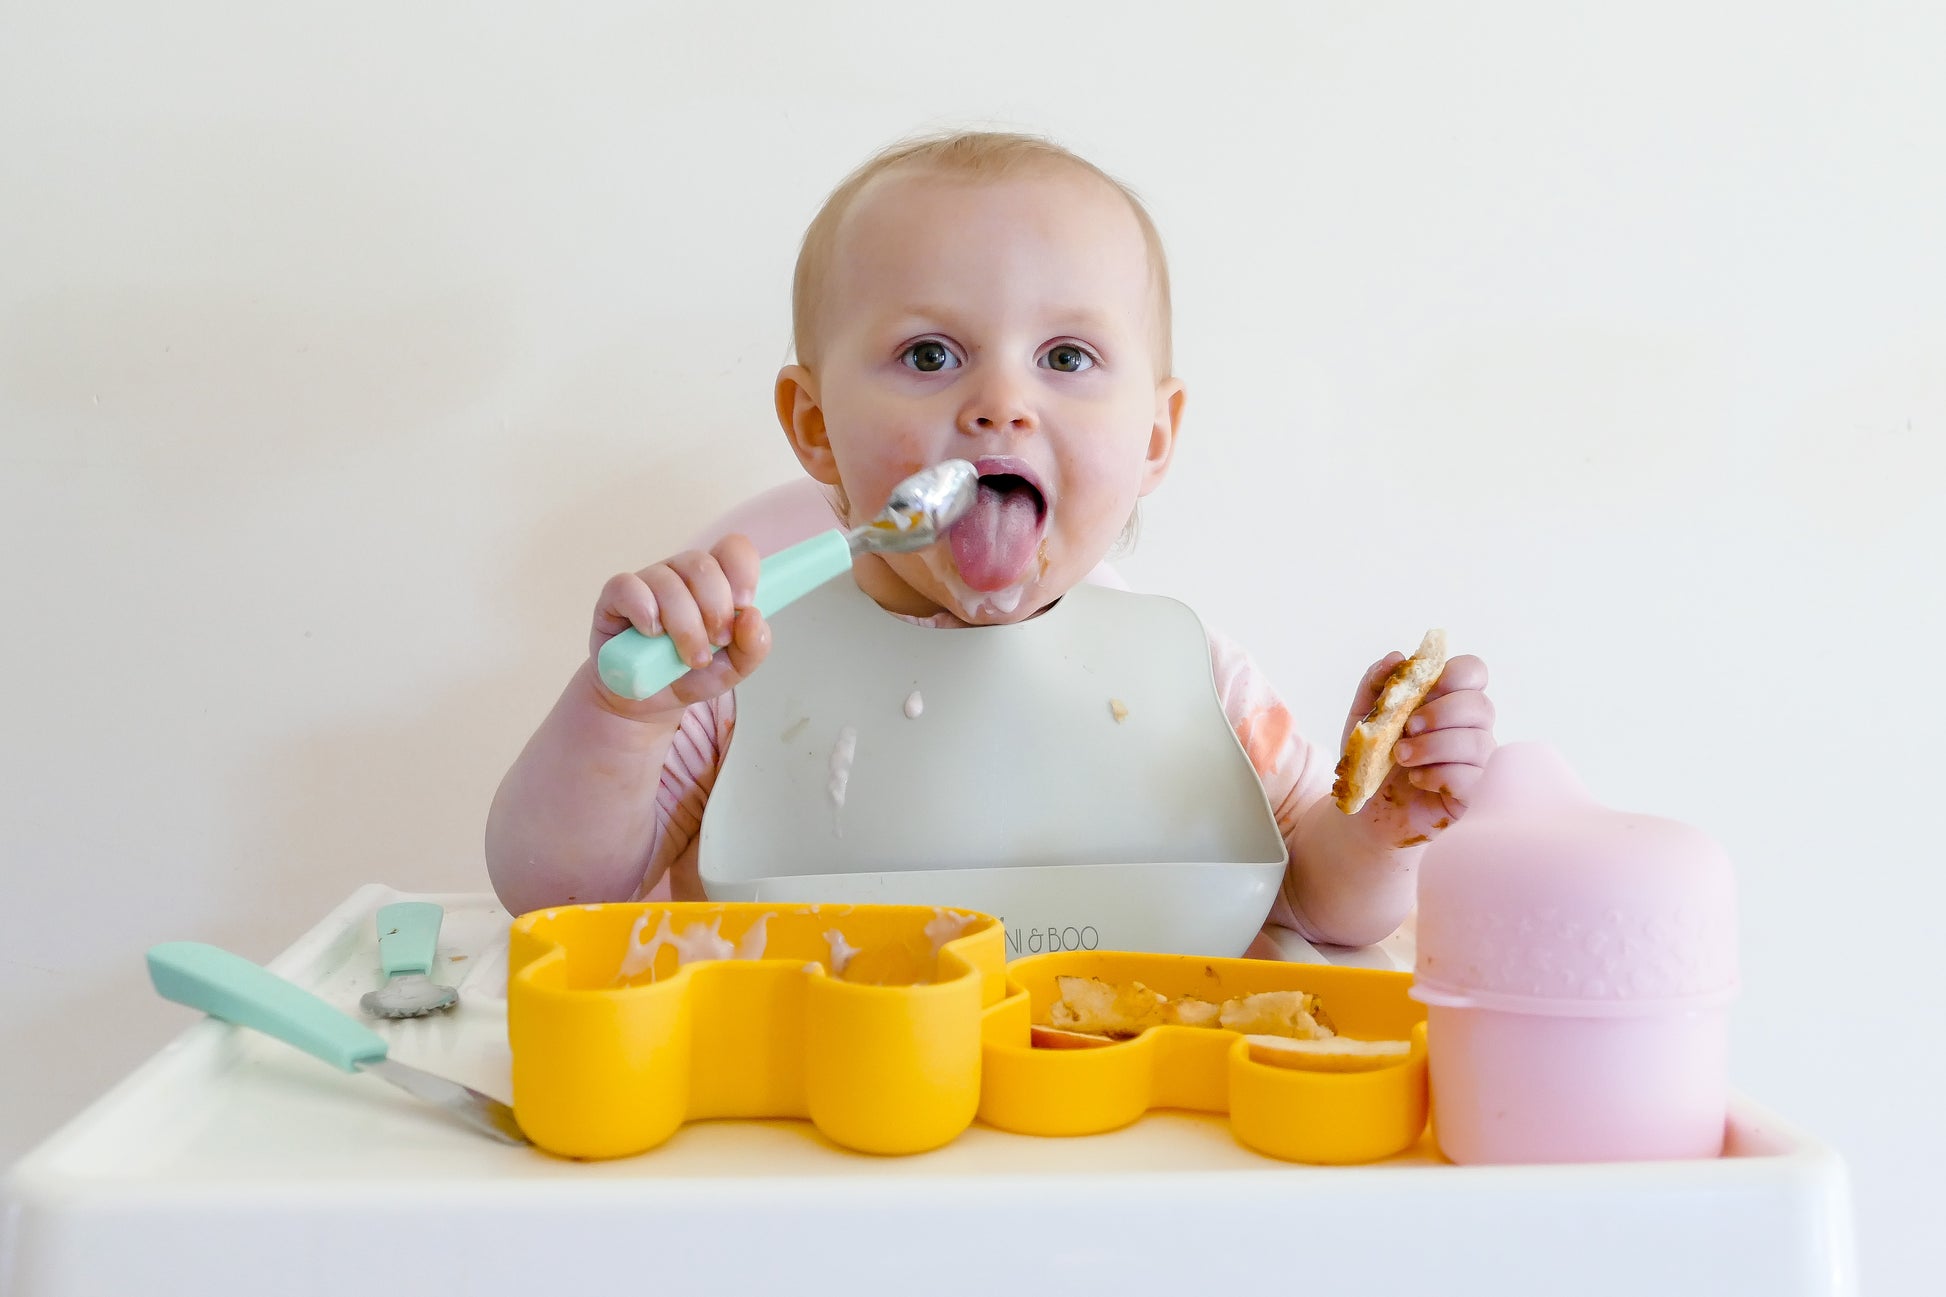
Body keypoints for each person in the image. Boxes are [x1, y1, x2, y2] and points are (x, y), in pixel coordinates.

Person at [486, 131, 1496, 954]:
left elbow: (1329, 907)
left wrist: (1383, 824)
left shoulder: (1187, 676)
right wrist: (624, 721)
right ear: (812, 426)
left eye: (1065, 356)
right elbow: (558, 901)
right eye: (930, 354)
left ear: (1152, 436)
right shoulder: (740, 669)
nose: (1000, 404)